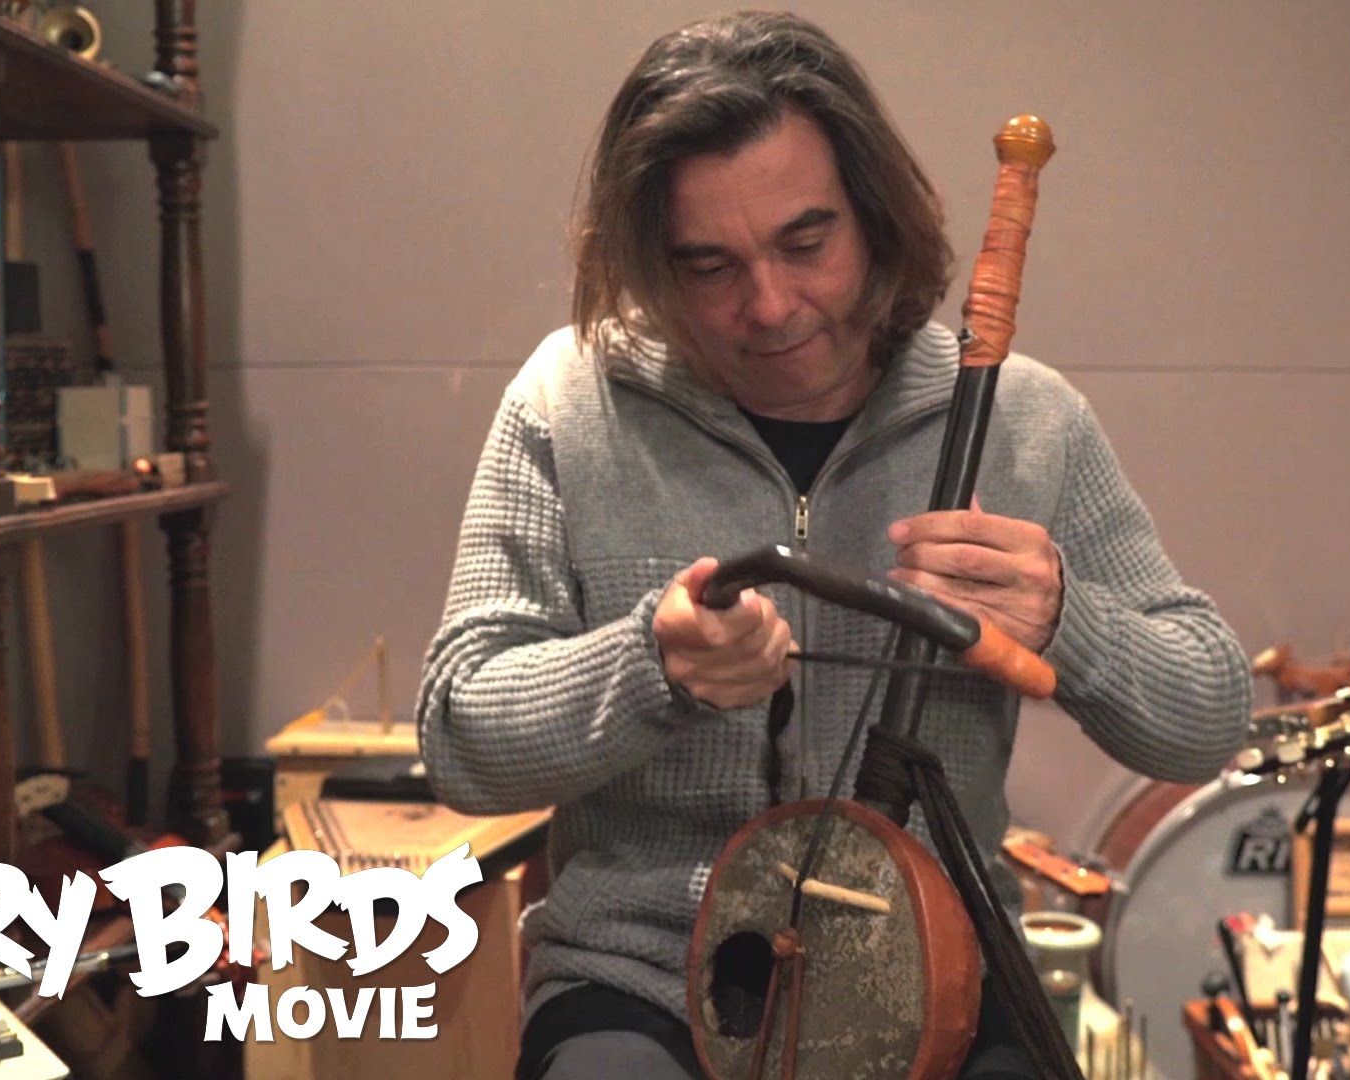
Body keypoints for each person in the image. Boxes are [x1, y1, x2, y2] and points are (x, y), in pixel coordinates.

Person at [417, 11, 1250, 1078]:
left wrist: (1062, 618)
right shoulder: (569, 404)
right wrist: (651, 669)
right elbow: (460, 737)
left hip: (938, 973)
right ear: (652, 262)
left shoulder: (1023, 421)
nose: (769, 306)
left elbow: (1206, 721)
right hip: (648, 981)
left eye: (806, 245)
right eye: (709, 266)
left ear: (876, 216)